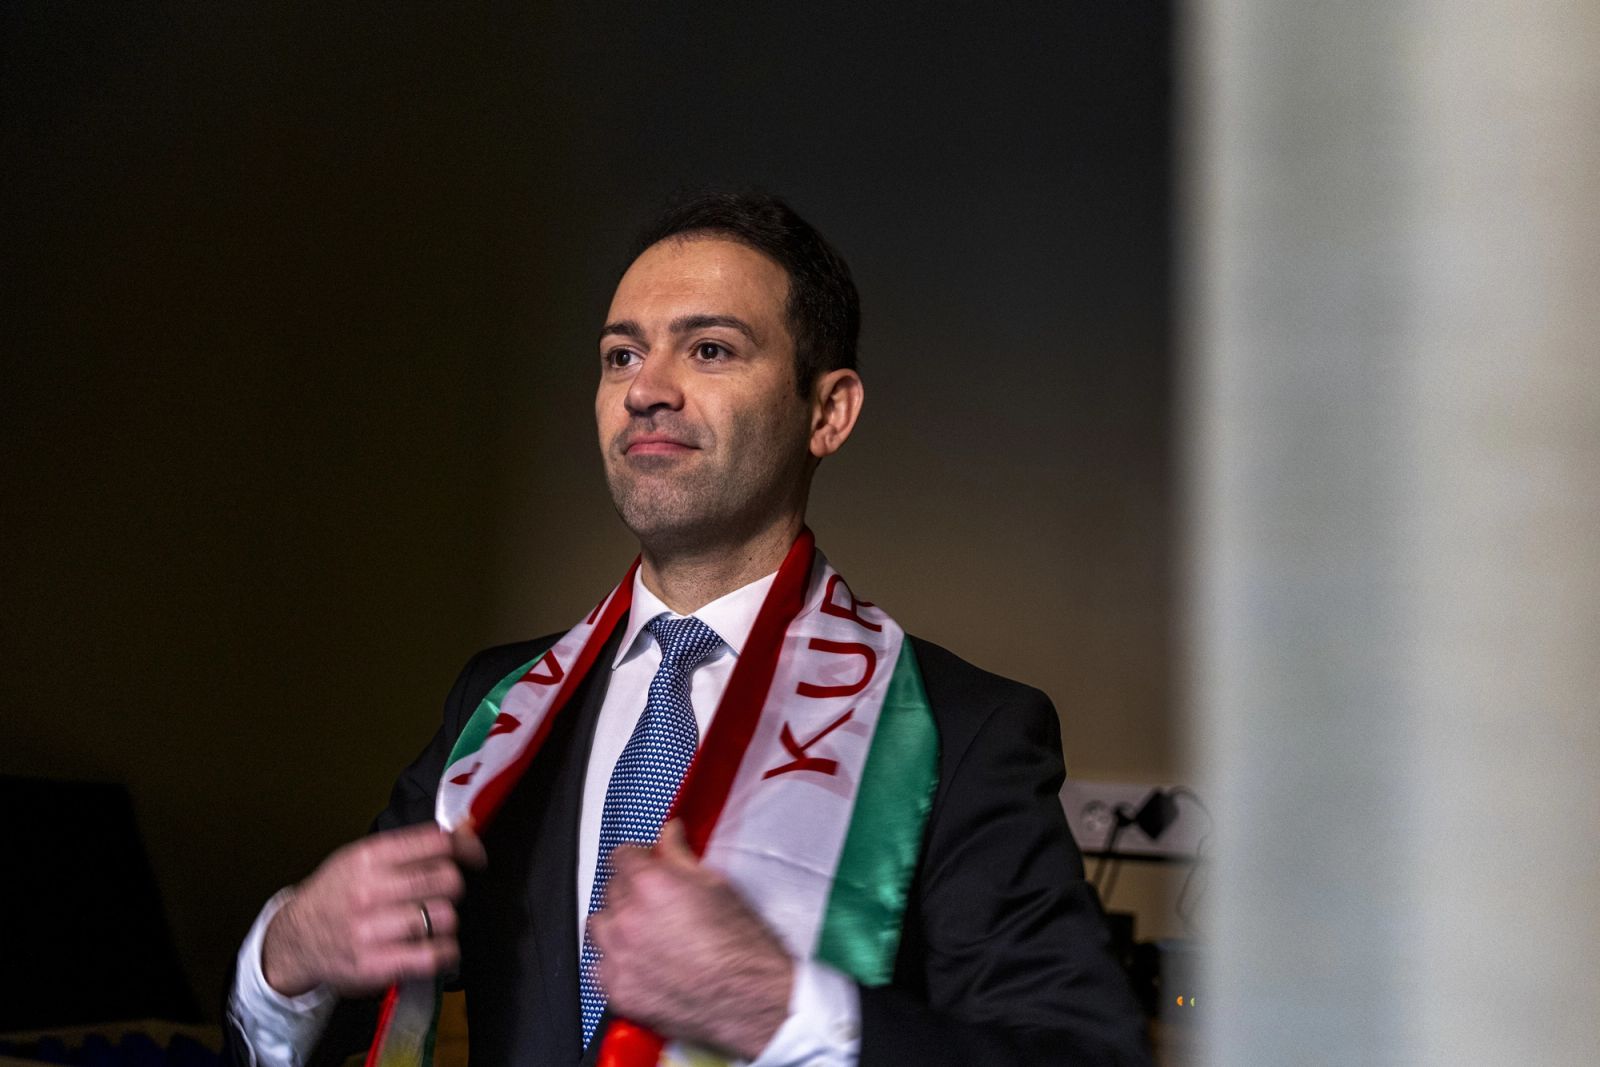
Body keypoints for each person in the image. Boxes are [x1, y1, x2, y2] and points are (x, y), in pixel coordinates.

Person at [224, 192, 1150, 1067]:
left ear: (828, 412)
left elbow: (1083, 1057)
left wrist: (777, 1007)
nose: (646, 390)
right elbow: (338, 1016)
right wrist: (287, 954)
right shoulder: (500, 706)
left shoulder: (961, 732)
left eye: (709, 349)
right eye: (621, 355)